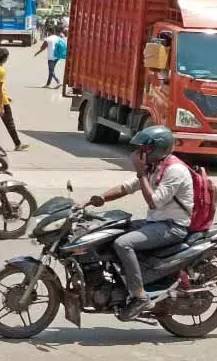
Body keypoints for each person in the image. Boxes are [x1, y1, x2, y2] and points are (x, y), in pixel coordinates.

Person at [85, 125, 193, 320]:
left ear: (158, 149)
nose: (139, 153)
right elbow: (126, 188)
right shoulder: (155, 167)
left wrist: (141, 173)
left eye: (144, 149)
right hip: (156, 223)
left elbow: (154, 201)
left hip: (172, 226)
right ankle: (120, 281)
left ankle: (139, 295)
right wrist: (95, 200)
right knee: (110, 231)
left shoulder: (175, 170)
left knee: (123, 243)